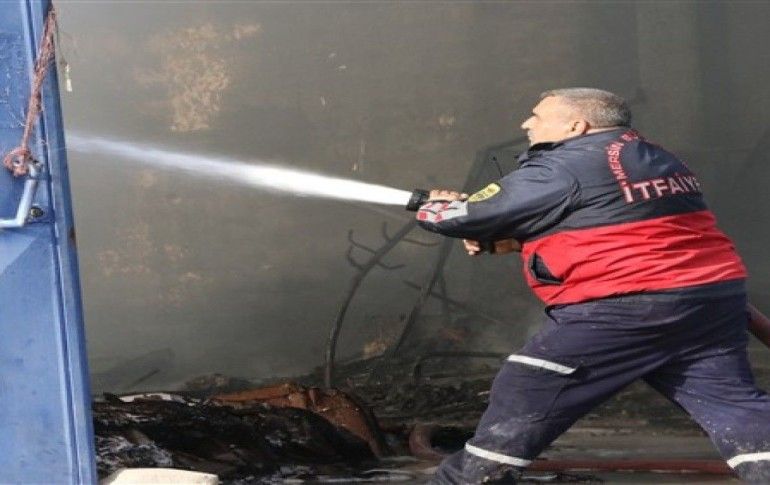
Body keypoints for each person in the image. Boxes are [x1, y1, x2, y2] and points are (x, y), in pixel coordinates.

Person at [415, 88, 770, 483]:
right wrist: (515, 239)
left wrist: (436, 205)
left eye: (537, 115)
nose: (526, 123)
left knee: (529, 382)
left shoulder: (565, 164)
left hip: (628, 305)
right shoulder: (655, 158)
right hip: (711, 301)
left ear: (576, 125)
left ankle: (468, 478)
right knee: (732, 405)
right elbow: (616, 221)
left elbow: (463, 216)